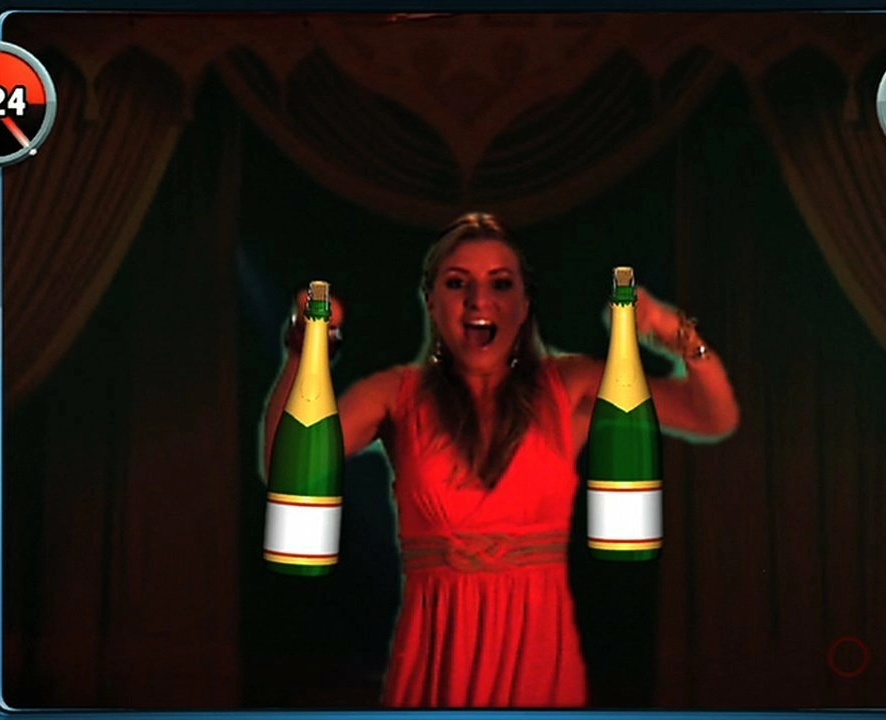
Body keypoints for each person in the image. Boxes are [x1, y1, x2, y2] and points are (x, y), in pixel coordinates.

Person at [262, 212, 740, 708]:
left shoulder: (568, 386)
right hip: (436, 662)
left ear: (524, 304)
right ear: (431, 301)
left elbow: (712, 417)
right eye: (457, 283)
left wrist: (674, 332)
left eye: (501, 283)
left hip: (539, 658)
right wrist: (301, 352)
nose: (479, 299)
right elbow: (285, 464)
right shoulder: (396, 396)